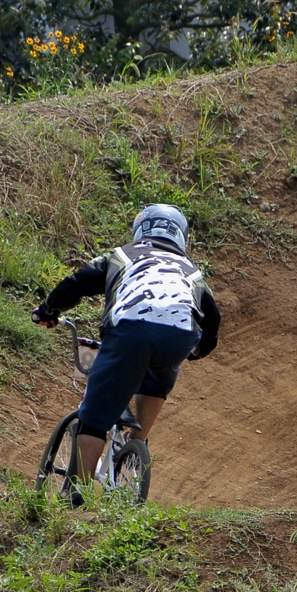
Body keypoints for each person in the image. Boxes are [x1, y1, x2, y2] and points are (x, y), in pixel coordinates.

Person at [32, 204, 220, 506]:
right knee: (157, 379)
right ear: (181, 237)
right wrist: (195, 351)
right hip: (178, 336)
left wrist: (48, 311)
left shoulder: (122, 255)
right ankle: (137, 444)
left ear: (141, 229)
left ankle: (74, 493)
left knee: (94, 418)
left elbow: (77, 283)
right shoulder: (192, 272)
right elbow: (211, 320)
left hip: (130, 330)